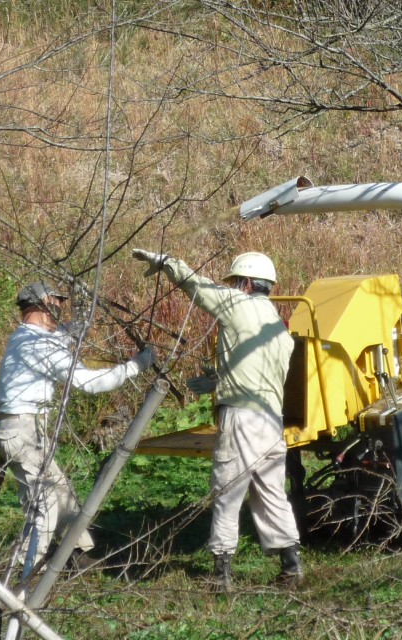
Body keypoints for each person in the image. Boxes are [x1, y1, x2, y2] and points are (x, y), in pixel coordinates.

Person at [132, 249, 303, 590]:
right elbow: (259, 375)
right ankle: (292, 567)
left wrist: (168, 262)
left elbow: (199, 288)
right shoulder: (279, 331)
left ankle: (221, 575)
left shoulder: (239, 306)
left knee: (227, 491)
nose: (233, 287)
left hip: (241, 419)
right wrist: (219, 380)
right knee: (271, 493)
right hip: (271, 423)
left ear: (248, 282)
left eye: (235, 282)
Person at [0, 281, 154, 572]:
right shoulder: (36, 344)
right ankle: (21, 570)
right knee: (44, 506)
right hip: (23, 432)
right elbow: (91, 383)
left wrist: (76, 325)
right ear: (40, 305)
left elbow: (58, 340)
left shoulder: (27, 338)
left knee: (63, 496)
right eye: (55, 303)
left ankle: (79, 555)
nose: (58, 309)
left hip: (26, 431)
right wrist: (135, 367)